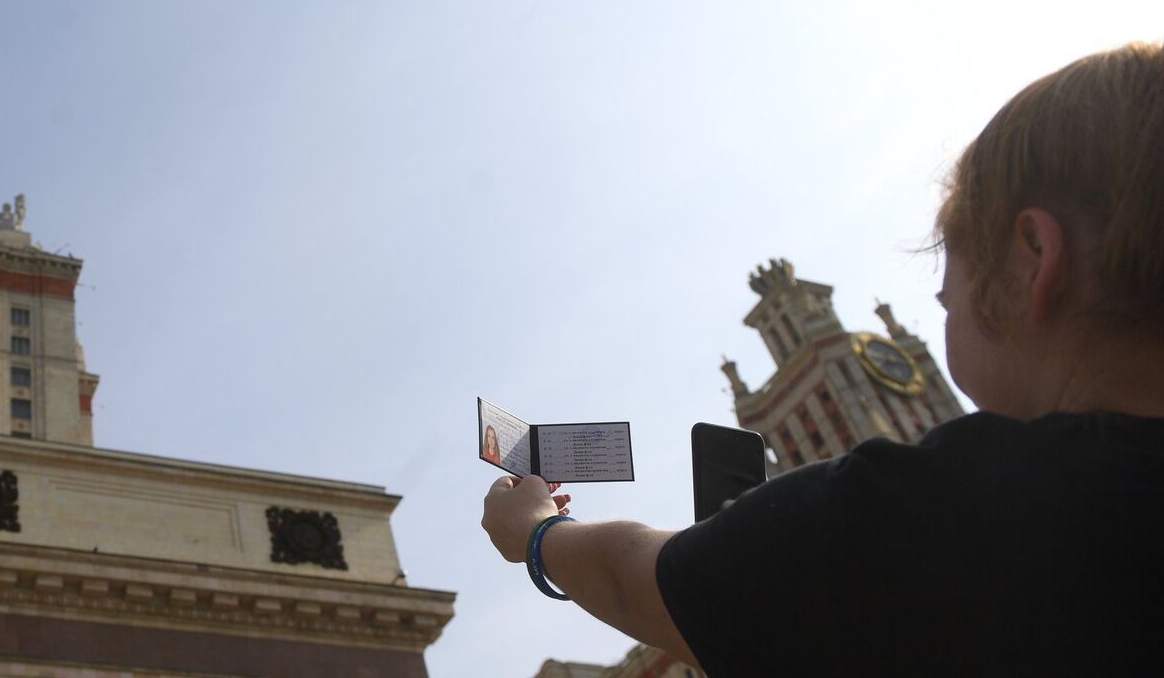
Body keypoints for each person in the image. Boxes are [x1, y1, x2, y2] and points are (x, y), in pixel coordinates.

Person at [481, 42, 1164, 676]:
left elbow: (637, 578)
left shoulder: (941, 511)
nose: (945, 313)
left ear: (1034, 259)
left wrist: (538, 533)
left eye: (947, 295)